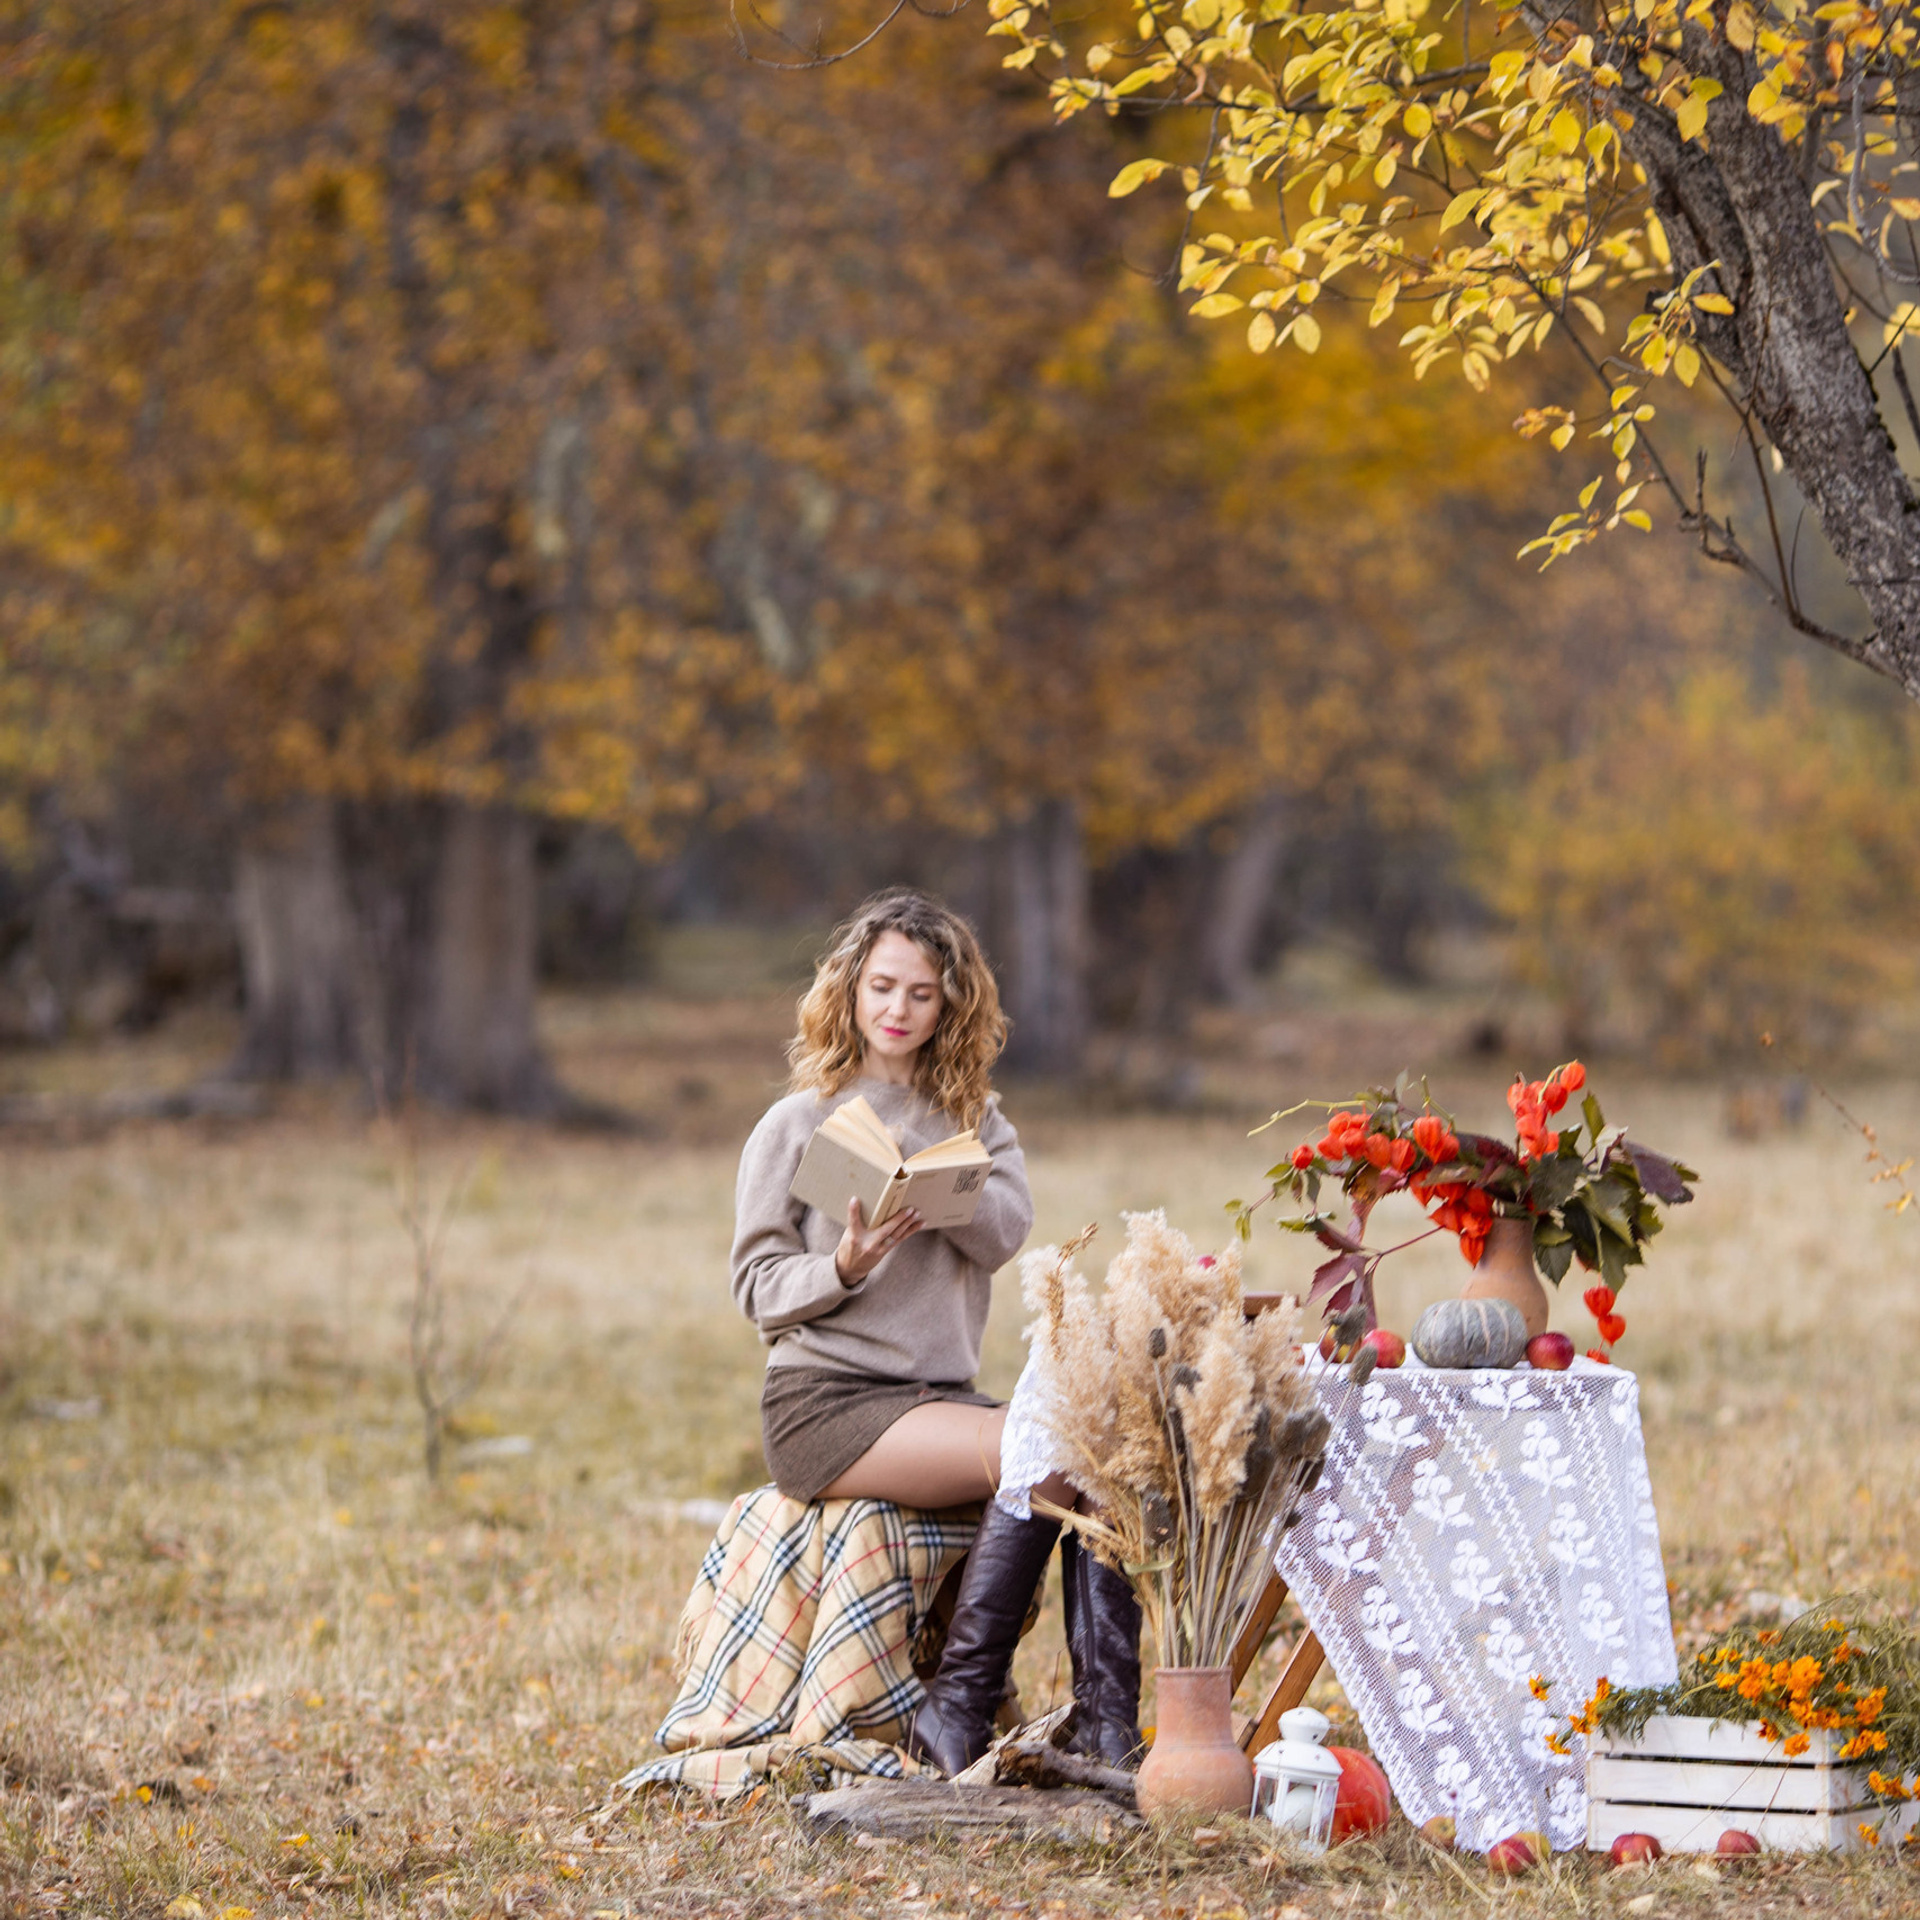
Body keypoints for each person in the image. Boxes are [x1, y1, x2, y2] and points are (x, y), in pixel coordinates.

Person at [730, 887, 1141, 1775]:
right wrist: (844, 1266)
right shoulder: (798, 1123)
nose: (898, 1009)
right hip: (827, 1404)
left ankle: (1108, 1724)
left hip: (938, 1398)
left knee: (1099, 1448)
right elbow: (756, 1287)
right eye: (882, 987)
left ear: (951, 1003)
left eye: (921, 994)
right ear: (849, 989)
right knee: (1051, 1444)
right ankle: (958, 1710)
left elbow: (1004, 1236)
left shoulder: (977, 1123)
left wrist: (935, 1187)